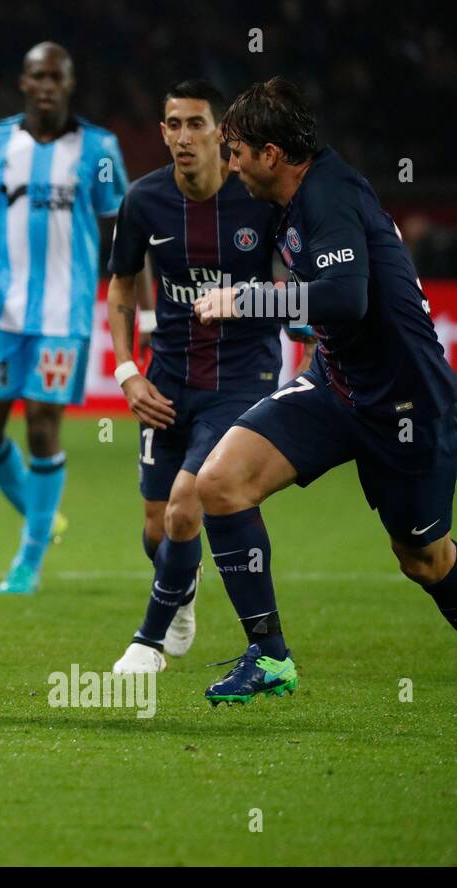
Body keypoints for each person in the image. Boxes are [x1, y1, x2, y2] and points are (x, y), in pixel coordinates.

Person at [193, 78, 457, 704]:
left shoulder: (330, 195)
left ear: (271, 154)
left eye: (235, 150)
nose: (230, 163)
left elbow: (345, 298)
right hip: (337, 387)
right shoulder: (288, 201)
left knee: (424, 559)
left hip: (406, 404)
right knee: (219, 483)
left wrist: (248, 300)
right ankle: (270, 656)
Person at [106, 79, 301, 674]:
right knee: (156, 525)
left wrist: (300, 327)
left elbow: (299, 281)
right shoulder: (143, 200)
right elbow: (120, 286)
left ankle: (148, 641)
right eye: (174, 125)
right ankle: (182, 586)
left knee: (186, 507)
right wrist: (126, 373)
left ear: (222, 132)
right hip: (167, 378)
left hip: (243, 378)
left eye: (196, 124)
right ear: (162, 132)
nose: (184, 137)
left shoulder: (258, 200)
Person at [0, 42, 128, 594]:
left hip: (65, 313)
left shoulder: (99, 148)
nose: (47, 84)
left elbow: (123, 232)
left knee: (40, 426)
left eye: (57, 75)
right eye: (38, 76)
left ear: (69, 82)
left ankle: (28, 561)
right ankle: (42, 512)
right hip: (3, 311)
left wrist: (140, 310)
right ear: (24, 82)